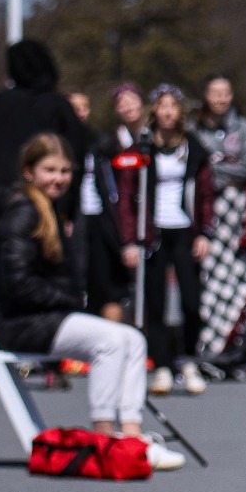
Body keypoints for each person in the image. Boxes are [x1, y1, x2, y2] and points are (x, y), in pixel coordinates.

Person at [0, 133, 185, 471]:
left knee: (134, 339)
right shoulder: (22, 214)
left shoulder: (49, 210)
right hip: (18, 322)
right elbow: (18, 286)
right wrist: (70, 300)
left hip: (42, 316)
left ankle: (131, 436)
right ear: (29, 172)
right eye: (50, 170)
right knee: (110, 342)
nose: (59, 178)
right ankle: (104, 438)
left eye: (65, 171)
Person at [117, 84, 211, 396]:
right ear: (154, 110)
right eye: (162, 105)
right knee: (155, 302)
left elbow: (206, 194)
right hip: (153, 234)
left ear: (180, 111)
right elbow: (127, 196)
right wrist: (130, 240)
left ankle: (188, 360)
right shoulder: (142, 148)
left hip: (185, 231)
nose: (168, 112)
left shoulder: (193, 147)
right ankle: (161, 366)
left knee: (191, 301)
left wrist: (204, 233)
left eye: (173, 105)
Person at [0, 39, 88, 228]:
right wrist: (68, 209)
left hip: (0, 196)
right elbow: (76, 158)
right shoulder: (58, 106)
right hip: (47, 201)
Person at [194, 76, 246, 361]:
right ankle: (212, 340)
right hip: (208, 212)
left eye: (226, 93)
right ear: (205, 96)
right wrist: (224, 168)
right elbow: (196, 168)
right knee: (210, 275)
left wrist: (216, 168)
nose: (221, 98)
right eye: (215, 93)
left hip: (239, 214)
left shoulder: (245, 128)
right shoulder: (196, 130)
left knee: (243, 271)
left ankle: (244, 338)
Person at [85, 84, 145, 323]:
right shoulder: (107, 147)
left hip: (150, 225)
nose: (128, 106)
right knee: (114, 289)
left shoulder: (156, 139)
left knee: (148, 290)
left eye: (132, 100)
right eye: (122, 102)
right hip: (117, 227)